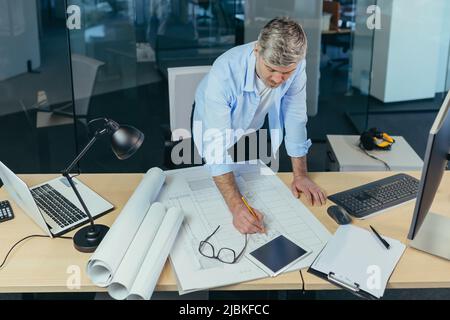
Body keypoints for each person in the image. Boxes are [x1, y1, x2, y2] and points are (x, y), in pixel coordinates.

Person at [192, 17, 326, 235]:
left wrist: (300, 175)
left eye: (287, 72)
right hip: (212, 121)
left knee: (254, 175)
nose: (279, 79)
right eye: (272, 69)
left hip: (253, 122)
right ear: (257, 51)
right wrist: (236, 207)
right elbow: (215, 147)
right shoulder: (224, 72)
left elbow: (295, 116)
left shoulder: (296, 65)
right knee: (208, 182)